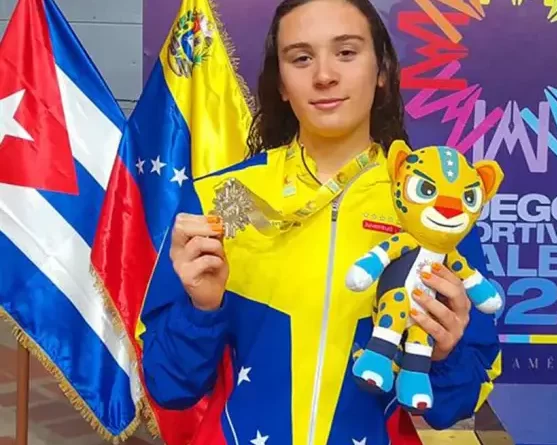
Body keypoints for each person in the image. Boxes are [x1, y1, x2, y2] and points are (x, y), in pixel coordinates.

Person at [138, 0, 502, 444]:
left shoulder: (435, 210)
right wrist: (201, 311)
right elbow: (169, 386)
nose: (324, 75)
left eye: (346, 52)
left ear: (382, 70)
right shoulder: (221, 199)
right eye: (301, 58)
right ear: (281, 84)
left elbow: (454, 406)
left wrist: (445, 355)